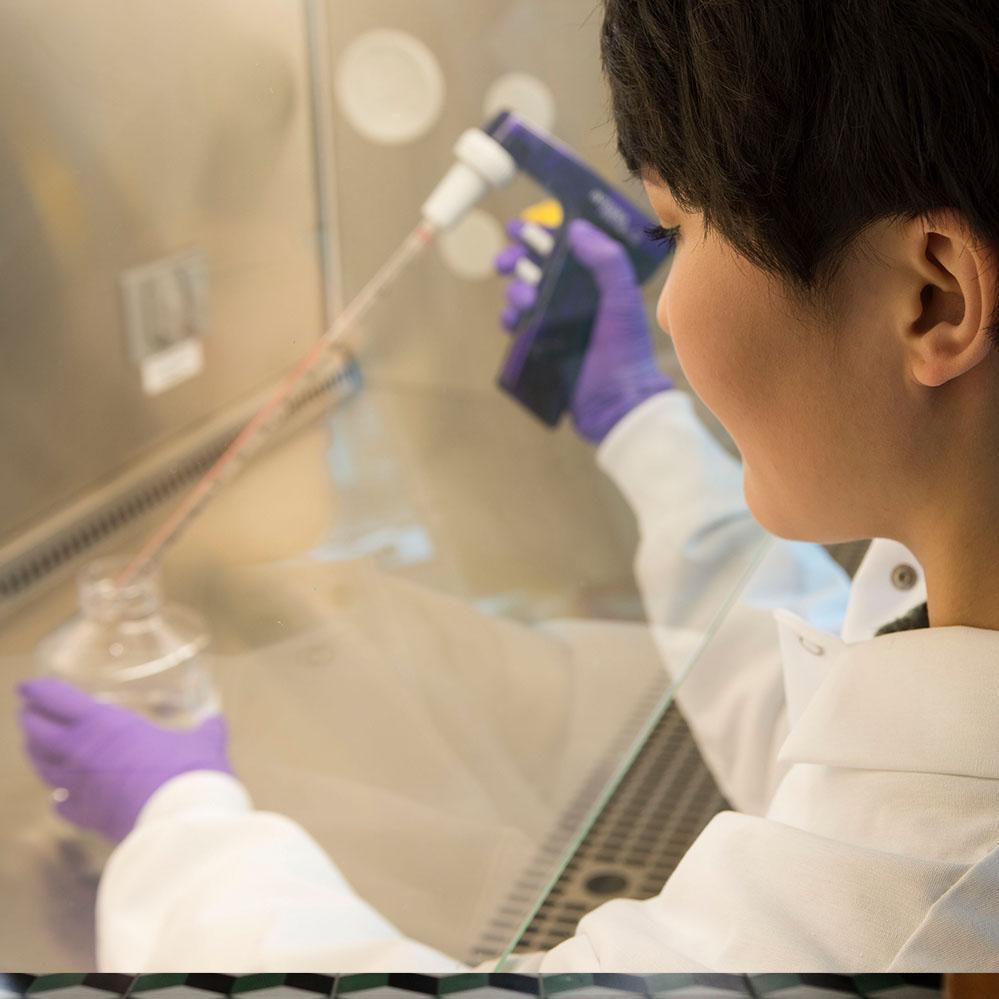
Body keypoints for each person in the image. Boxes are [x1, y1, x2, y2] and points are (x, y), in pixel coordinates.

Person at [17, 0, 999, 972]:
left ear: (935, 299)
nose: (668, 312)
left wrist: (182, 829)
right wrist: (637, 423)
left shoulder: (923, 902)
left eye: (674, 233)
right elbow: (828, 732)